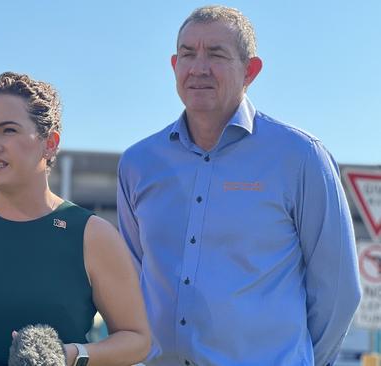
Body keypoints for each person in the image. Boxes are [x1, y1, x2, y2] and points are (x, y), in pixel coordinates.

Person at [117, 5, 361, 366]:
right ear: (174, 65)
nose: (199, 67)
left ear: (251, 70)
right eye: (188, 54)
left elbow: (338, 293)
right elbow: (130, 281)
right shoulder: (138, 164)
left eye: (216, 54)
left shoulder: (301, 157)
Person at [0, 71, 150, 366]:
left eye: (8, 130)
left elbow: (136, 339)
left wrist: (70, 355)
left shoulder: (93, 234)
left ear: (50, 143)